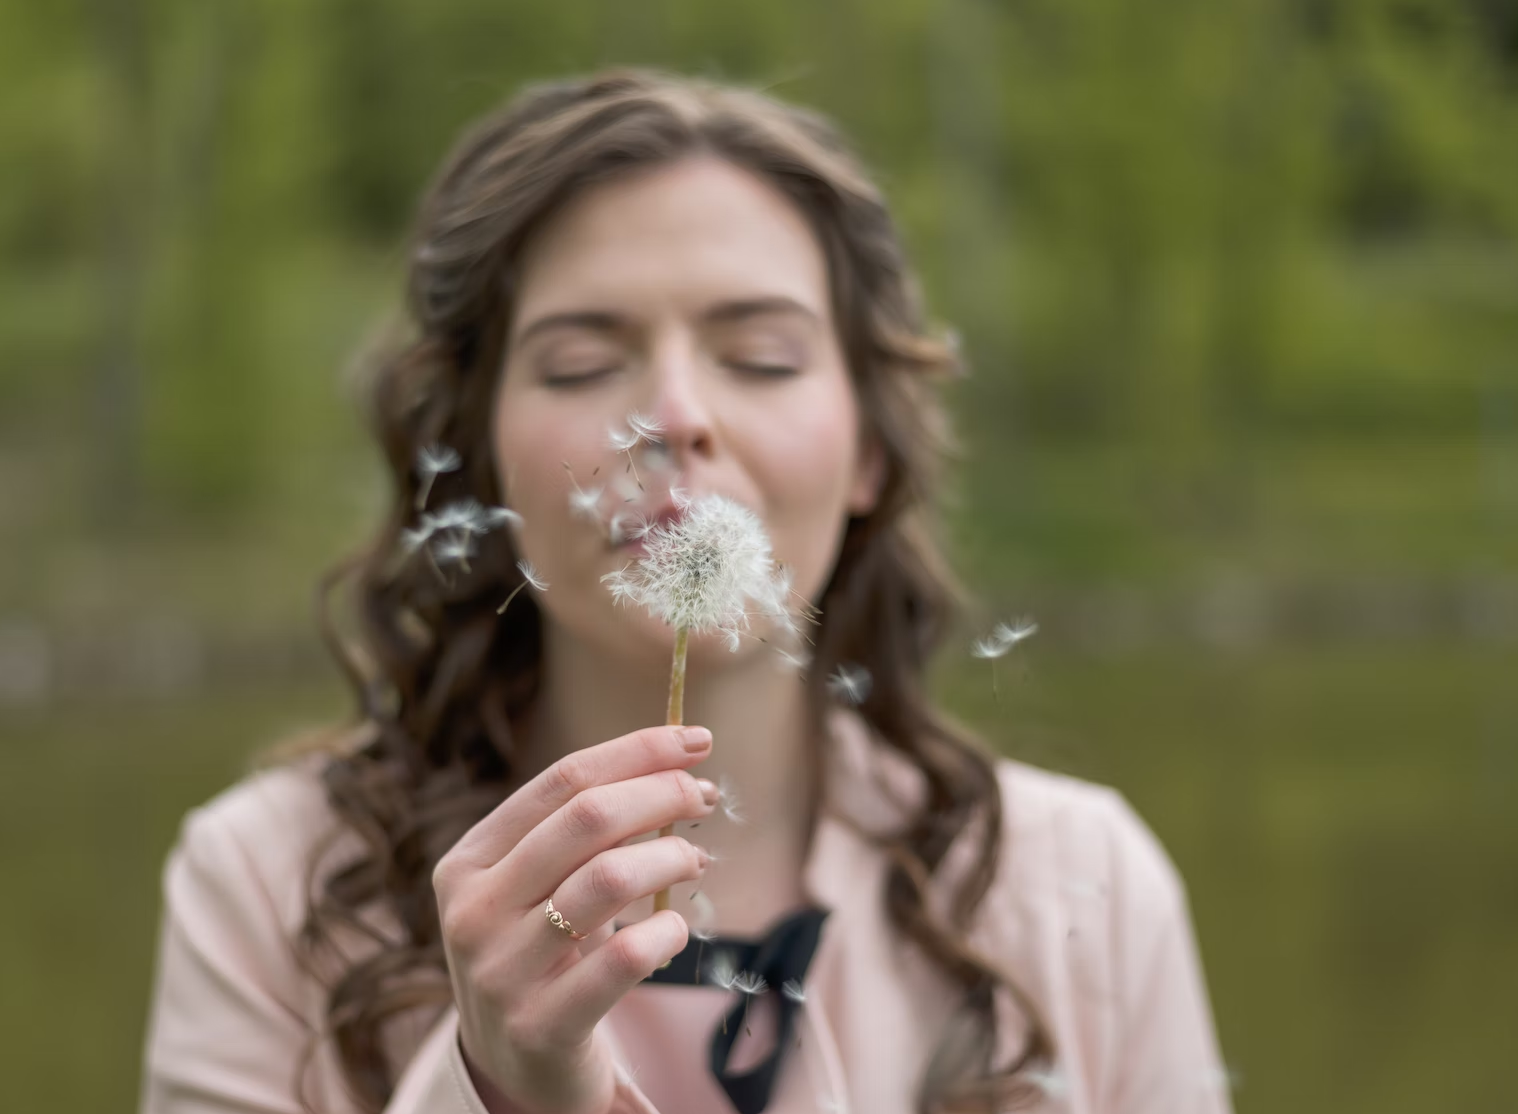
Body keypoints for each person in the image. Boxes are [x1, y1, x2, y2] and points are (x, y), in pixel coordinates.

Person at [138, 69, 1234, 1114]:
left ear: (866, 448)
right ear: (477, 451)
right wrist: (501, 1093)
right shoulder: (269, 887)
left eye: (759, 356)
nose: (672, 413)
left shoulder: (1079, 887)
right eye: (578, 364)